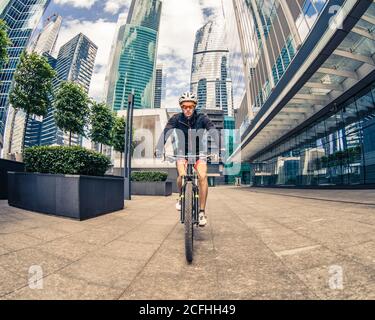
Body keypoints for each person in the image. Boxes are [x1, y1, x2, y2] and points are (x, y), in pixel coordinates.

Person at [154, 92, 219, 227]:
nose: (187, 109)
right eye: (184, 107)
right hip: (182, 152)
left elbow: (212, 129)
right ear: (181, 107)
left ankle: (201, 212)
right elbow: (166, 132)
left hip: (199, 153)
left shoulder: (202, 118)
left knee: (202, 176)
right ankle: (182, 197)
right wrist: (159, 147)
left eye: (190, 106)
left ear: (194, 106)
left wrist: (219, 147)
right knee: (182, 175)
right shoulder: (176, 119)